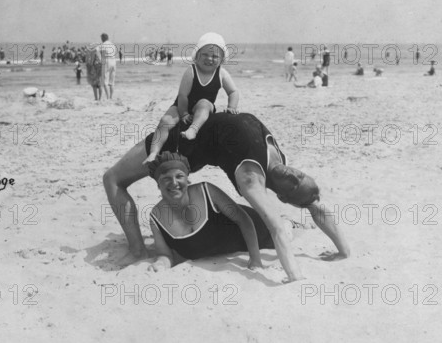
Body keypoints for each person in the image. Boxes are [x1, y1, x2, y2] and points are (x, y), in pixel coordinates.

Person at [103, 112, 351, 282]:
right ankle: (138, 247)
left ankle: (137, 250)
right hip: (194, 122)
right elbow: (315, 205)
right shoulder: (279, 160)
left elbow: (277, 229)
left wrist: (294, 277)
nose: (294, 175)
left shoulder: (251, 179)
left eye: (294, 184)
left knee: (112, 179)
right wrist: (343, 251)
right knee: (114, 179)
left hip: (180, 144)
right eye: (302, 175)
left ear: (284, 197)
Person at [146, 152, 302, 272]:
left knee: (284, 231)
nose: (174, 183)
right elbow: (164, 254)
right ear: (158, 184)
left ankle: (287, 221)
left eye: (179, 176)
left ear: (188, 179)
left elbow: (243, 219)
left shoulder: (206, 190)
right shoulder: (156, 216)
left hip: (259, 230)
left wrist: (255, 259)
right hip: (230, 244)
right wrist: (160, 264)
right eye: (166, 178)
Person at [143, 32, 240, 164]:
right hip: (182, 105)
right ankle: (153, 153)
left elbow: (233, 91)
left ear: (222, 59)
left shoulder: (221, 73)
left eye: (214, 56)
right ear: (197, 55)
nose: (209, 59)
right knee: (165, 121)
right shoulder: (191, 71)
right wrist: (183, 113)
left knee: (204, 103)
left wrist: (231, 107)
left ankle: (193, 130)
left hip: (203, 108)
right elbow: (182, 95)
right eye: (205, 54)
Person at [98, 33, 117, 99]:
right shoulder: (112, 44)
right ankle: (111, 97)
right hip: (113, 61)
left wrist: (100, 60)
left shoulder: (103, 44)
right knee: (112, 81)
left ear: (103, 38)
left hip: (106, 61)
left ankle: (108, 97)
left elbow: (98, 52)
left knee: (104, 80)